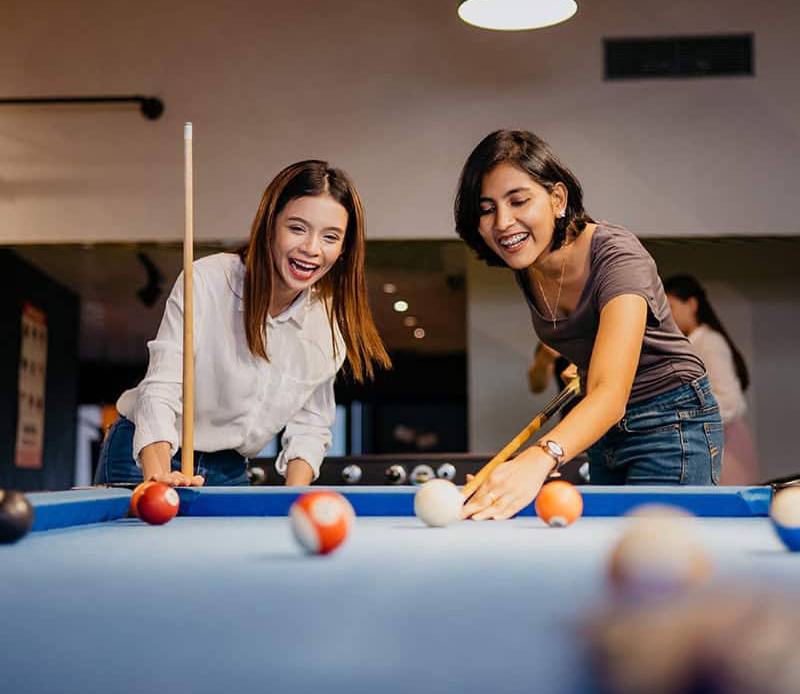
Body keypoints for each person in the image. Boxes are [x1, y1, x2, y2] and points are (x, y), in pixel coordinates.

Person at [454, 130, 723, 520]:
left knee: (654, 552)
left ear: (558, 199)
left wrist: (537, 459)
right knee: (605, 551)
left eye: (518, 200)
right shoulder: (529, 263)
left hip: (672, 420)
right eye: (486, 208)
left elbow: (610, 394)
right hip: (602, 430)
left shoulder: (618, 256)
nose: (503, 222)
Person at [94, 160, 390, 488]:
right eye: (297, 228)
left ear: (344, 249)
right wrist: (159, 475)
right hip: (147, 452)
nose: (311, 248)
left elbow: (311, 426)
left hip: (229, 469)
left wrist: (292, 499)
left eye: (330, 237)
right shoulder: (207, 281)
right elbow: (161, 388)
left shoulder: (328, 322)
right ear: (270, 226)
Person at [664, 274, 759, 484]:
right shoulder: (691, 343)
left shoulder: (708, 342)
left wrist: (686, 414)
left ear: (692, 304)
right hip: (710, 441)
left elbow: (731, 402)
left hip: (724, 444)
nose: (667, 315)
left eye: (671, 307)